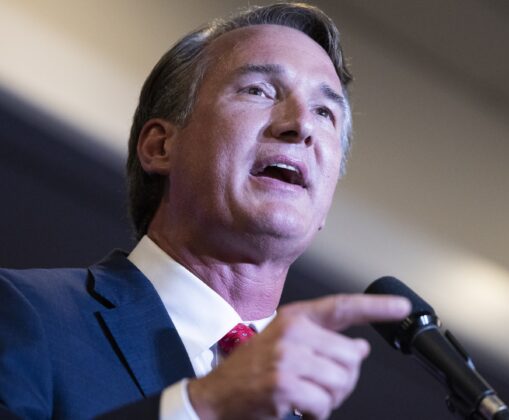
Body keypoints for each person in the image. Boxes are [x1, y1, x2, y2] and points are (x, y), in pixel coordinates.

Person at [0, 3, 410, 419]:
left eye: (325, 112)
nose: (301, 124)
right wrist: (202, 405)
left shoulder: (296, 404)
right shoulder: (22, 313)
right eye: (259, 90)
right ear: (160, 146)